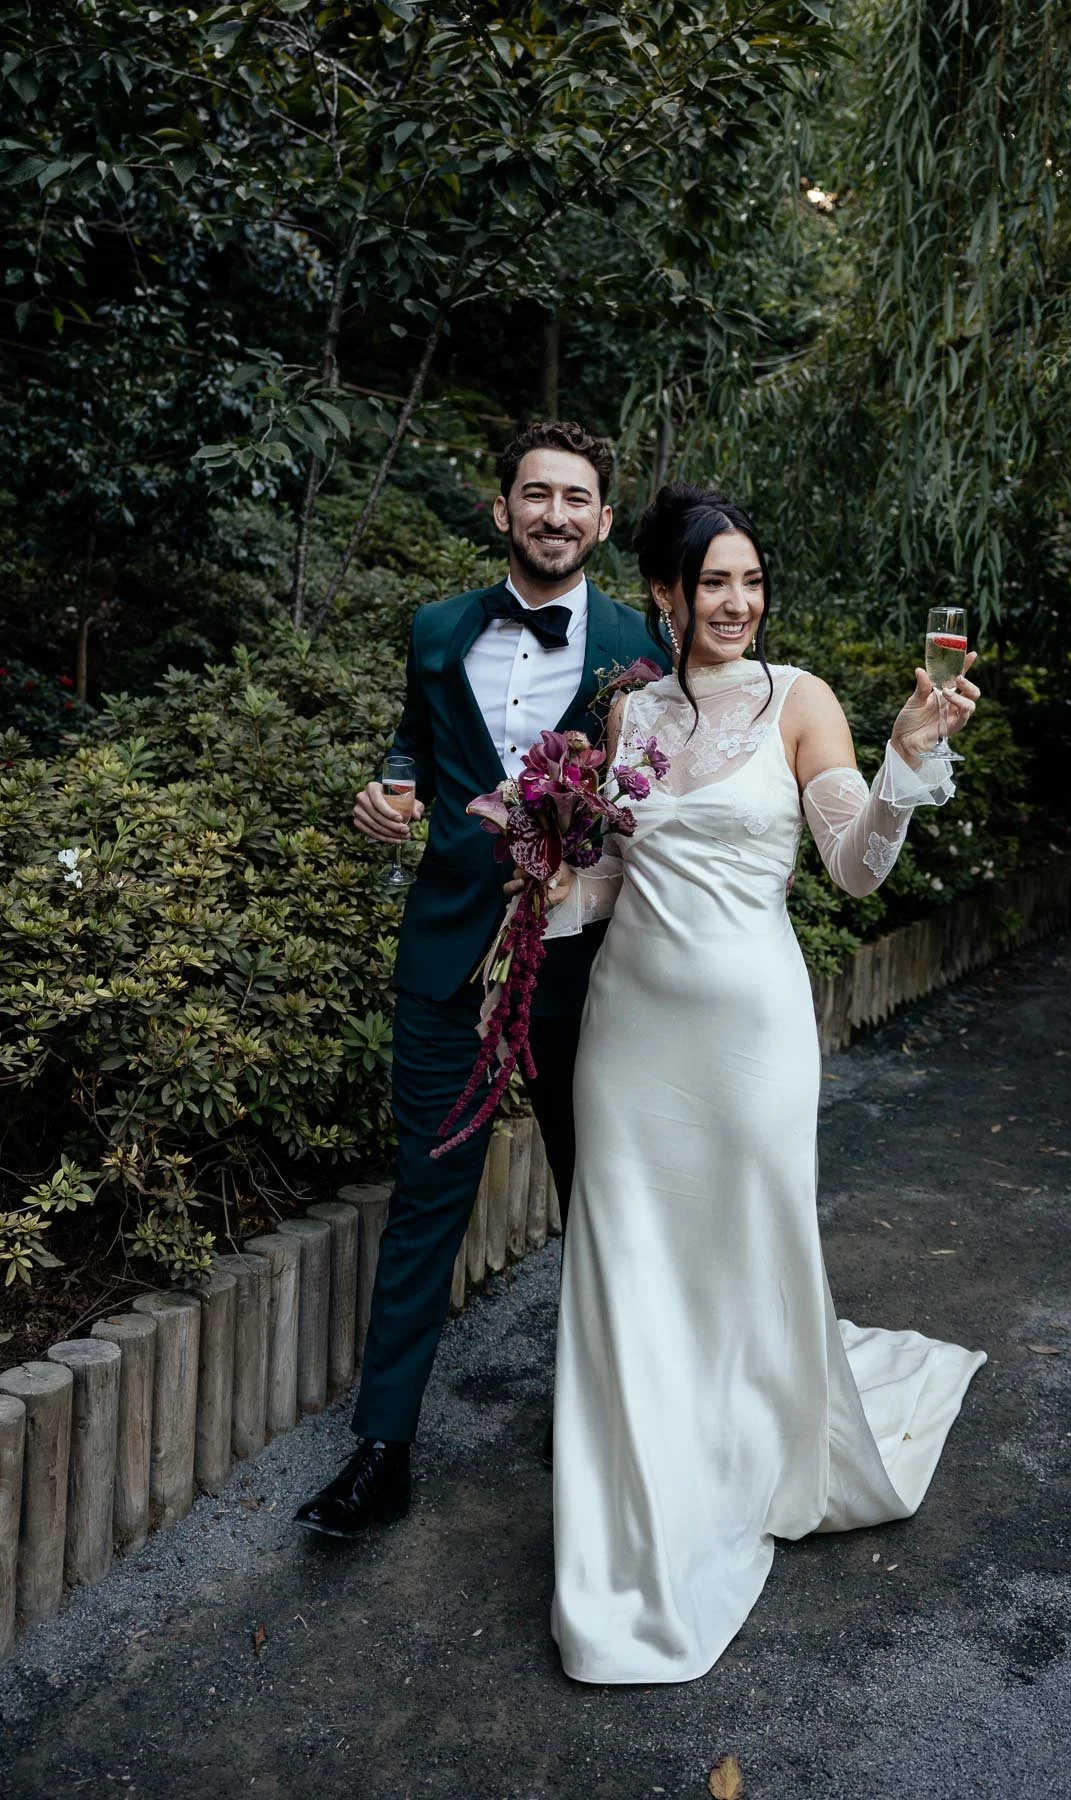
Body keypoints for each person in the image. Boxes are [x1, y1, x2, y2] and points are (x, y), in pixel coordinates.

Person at [541, 484, 987, 1683]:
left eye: (750, 581)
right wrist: (534, 873)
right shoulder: (626, 718)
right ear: (664, 596)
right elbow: (603, 891)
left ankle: (745, 1452)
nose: (736, 603)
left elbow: (851, 872)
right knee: (626, 1261)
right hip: (628, 1039)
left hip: (749, 1038)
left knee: (744, 1246)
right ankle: (636, 1506)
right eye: (712, 583)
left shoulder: (803, 701)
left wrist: (902, 762)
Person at [293, 421, 666, 1538]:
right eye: (535, 494)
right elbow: (415, 750)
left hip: (588, 969)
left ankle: (603, 1418)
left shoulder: (641, 647)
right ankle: (383, 1448)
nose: (555, 515)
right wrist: (384, 795)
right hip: (450, 955)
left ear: (602, 520)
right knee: (425, 1203)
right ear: (501, 509)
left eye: (577, 499)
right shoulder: (437, 628)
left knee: (599, 1202)